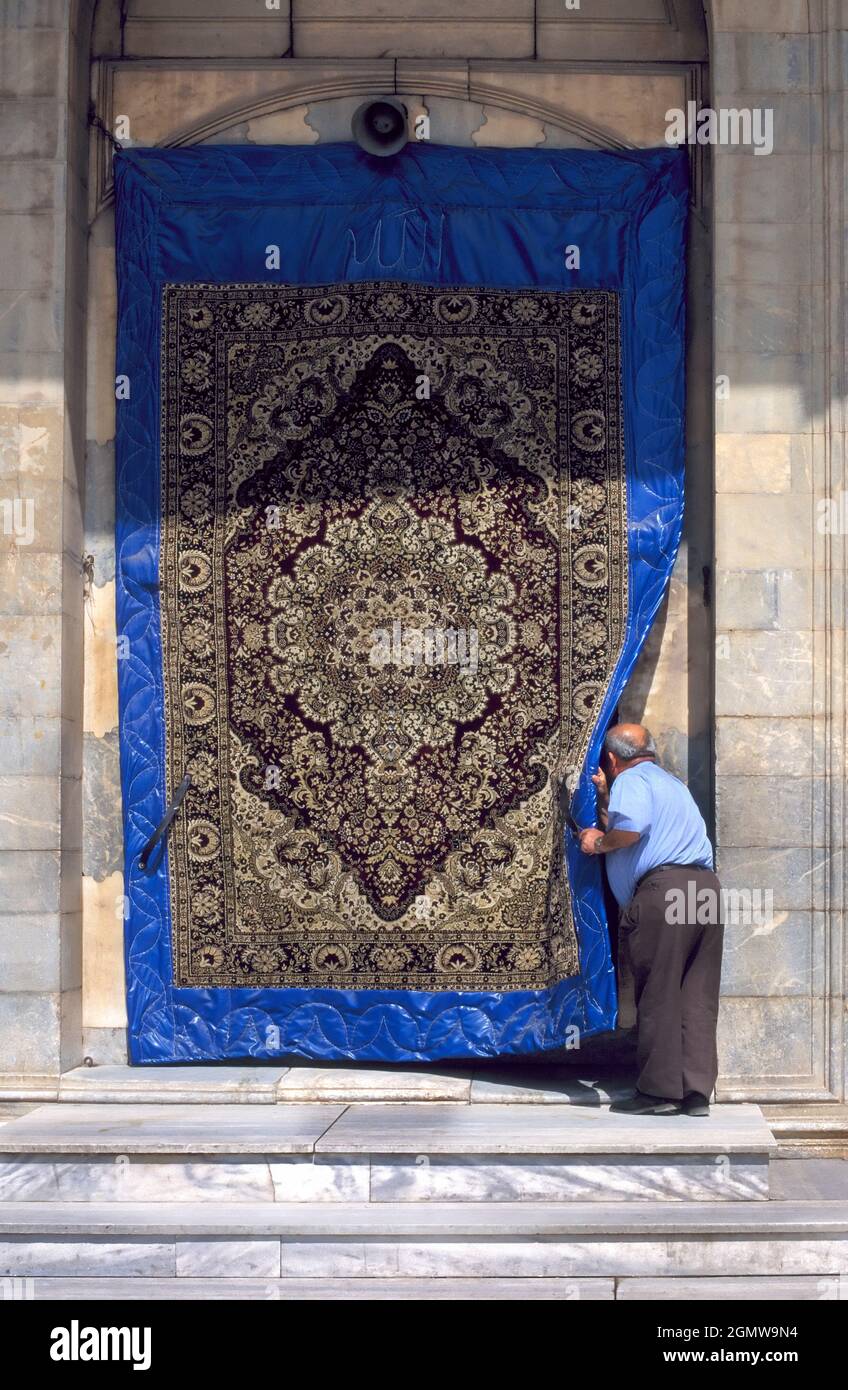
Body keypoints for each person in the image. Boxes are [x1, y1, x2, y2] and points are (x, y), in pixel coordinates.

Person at [578, 723, 723, 1117]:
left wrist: (596, 843)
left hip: (664, 891)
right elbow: (633, 821)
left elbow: (628, 831)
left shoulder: (632, 779)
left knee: (658, 989)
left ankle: (659, 1091)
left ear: (610, 759)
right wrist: (607, 799)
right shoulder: (671, 783)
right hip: (703, 889)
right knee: (697, 993)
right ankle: (695, 1093)